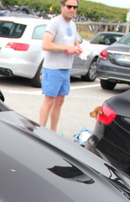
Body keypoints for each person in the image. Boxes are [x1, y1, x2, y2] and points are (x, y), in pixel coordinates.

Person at [38, 0, 83, 132]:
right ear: (62, 6)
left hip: (66, 68)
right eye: (69, 6)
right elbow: (46, 44)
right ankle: (41, 131)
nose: (72, 9)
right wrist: (67, 48)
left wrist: (80, 48)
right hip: (53, 68)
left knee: (59, 102)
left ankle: (53, 132)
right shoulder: (55, 22)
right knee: (49, 101)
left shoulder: (73, 24)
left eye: (75, 7)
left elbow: (74, 44)